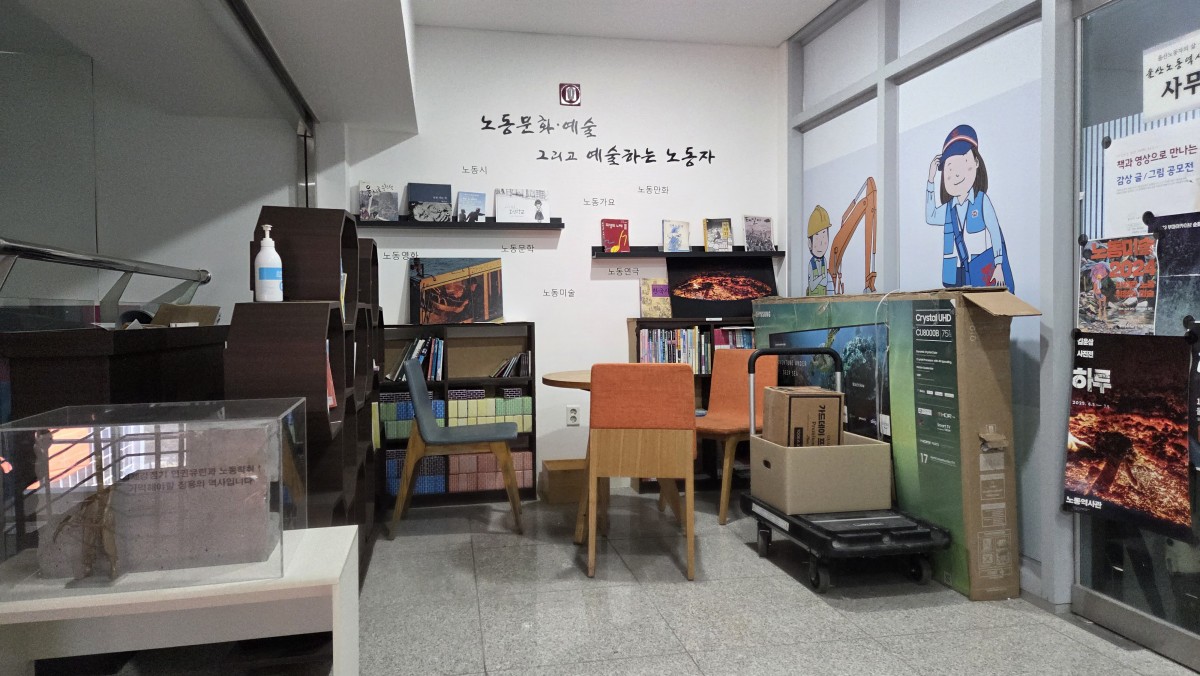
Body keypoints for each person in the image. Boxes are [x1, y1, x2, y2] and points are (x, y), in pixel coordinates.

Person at [926, 124, 1014, 294]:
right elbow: (931, 216)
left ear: (976, 162)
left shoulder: (981, 201)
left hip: (978, 271)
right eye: (950, 169)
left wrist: (998, 265)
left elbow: (995, 233)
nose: (956, 174)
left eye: (962, 163)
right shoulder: (949, 209)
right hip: (955, 274)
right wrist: (930, 180)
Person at [806, 206, 833, 296]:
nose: (821, 242)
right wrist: (822, 277)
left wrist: (818, 279)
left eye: (824, 235)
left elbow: (825, 283)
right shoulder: (811, 263)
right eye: (817, 237)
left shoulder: (824, 261)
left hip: (823, 299)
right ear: (810, 243)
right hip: (812, 300)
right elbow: (812, 286)